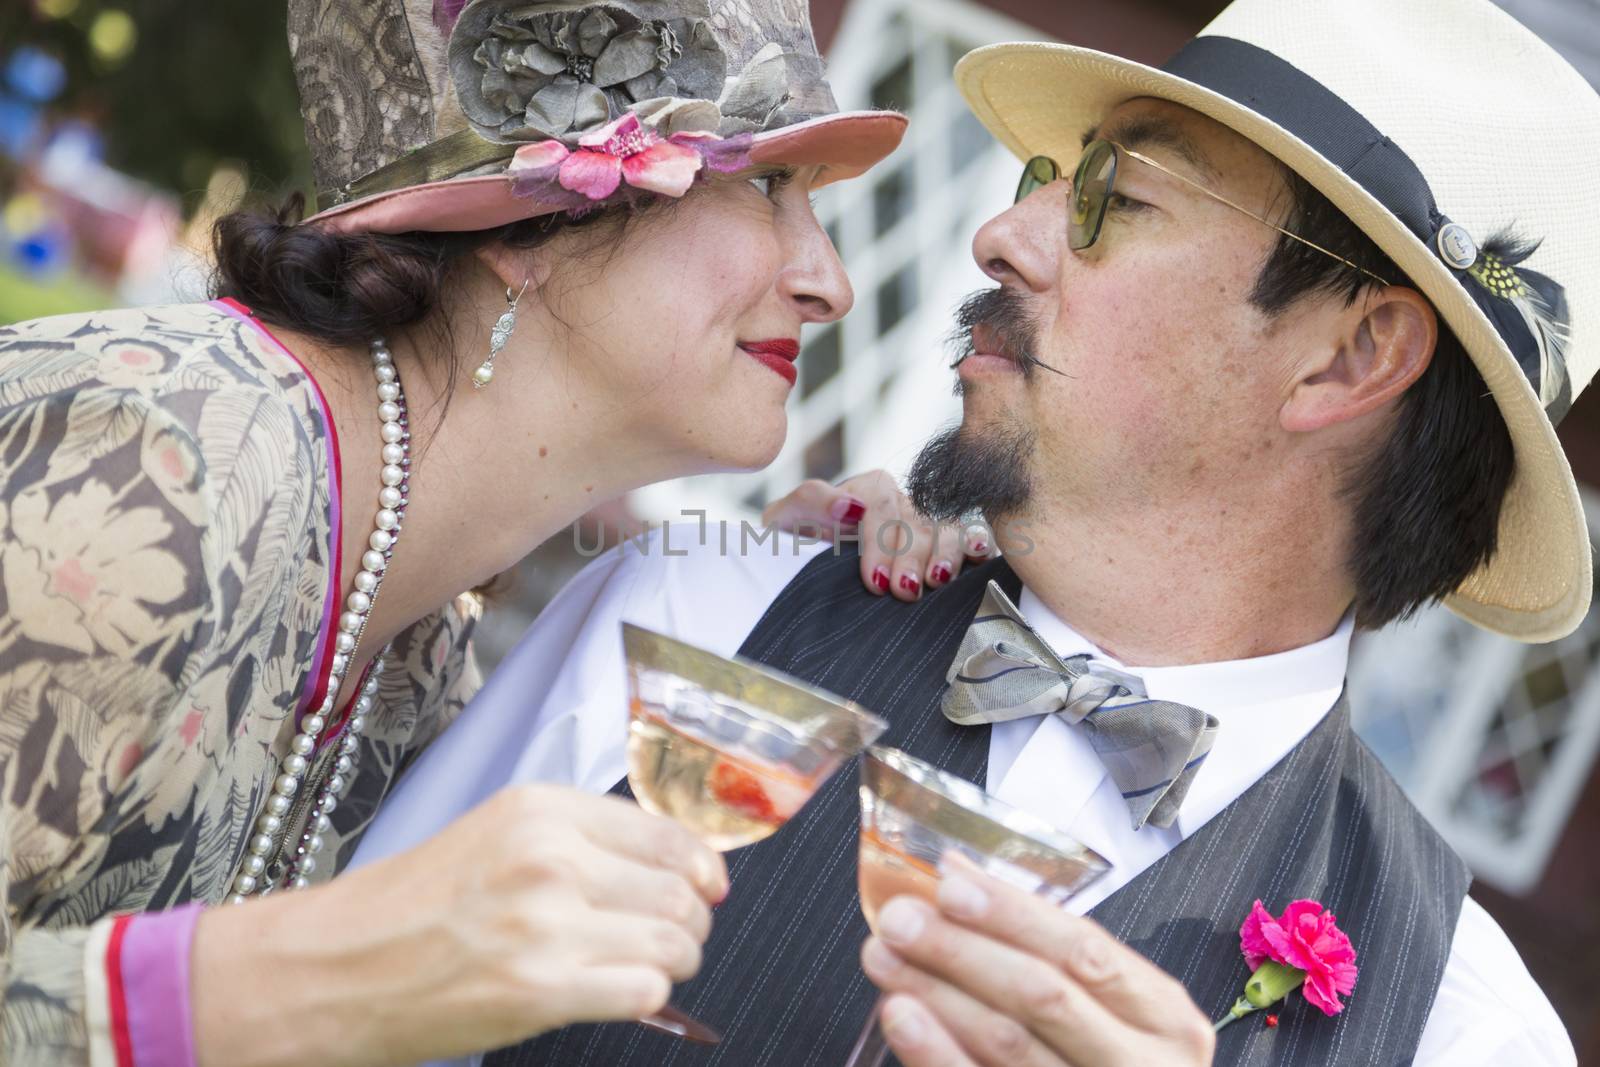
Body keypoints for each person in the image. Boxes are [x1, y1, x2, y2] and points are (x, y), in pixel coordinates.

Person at [356, 0, 1598, 1063]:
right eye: (1038, 184)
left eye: (1115, 196)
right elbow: (320, 1010)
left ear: (1346, 355)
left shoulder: (1463, 1027)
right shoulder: (695, 618)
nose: (999, 238)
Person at [0, 1, 969, 1063]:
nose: (828, 282)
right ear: (528, 234)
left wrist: (779, 605)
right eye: (763, 188)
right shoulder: (153, 472)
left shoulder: (419, 633)